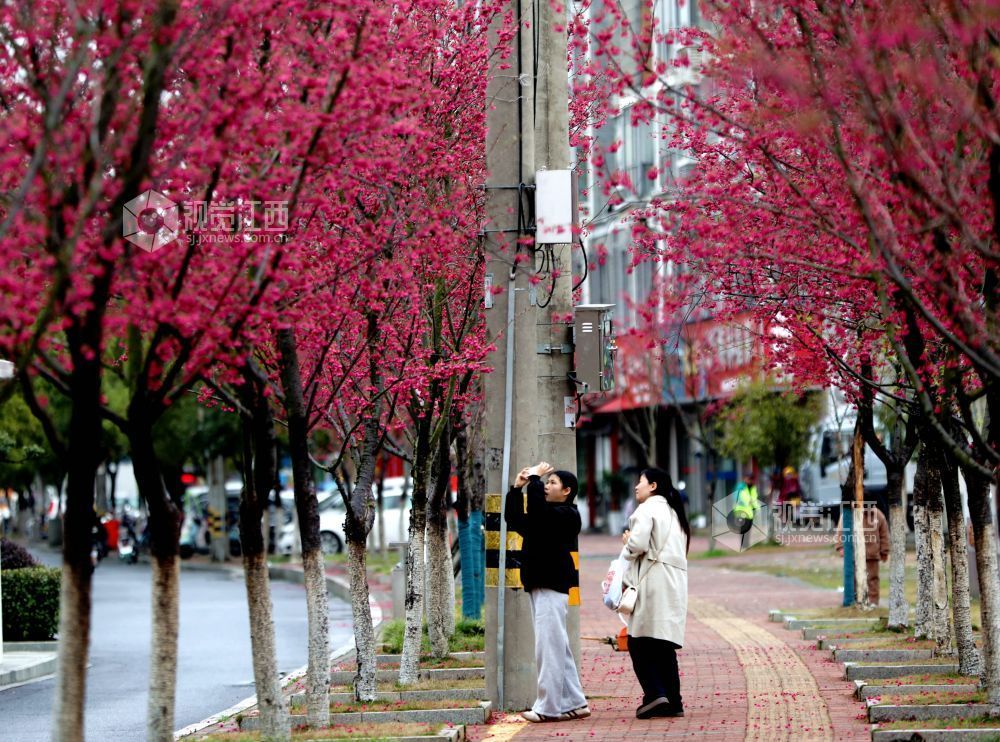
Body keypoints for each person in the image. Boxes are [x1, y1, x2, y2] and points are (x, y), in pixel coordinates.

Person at [504, 461, 590, 723]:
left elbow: (539, 514)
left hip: (553, 585)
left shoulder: (568, 514)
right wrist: (517, 489)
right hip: (539, 583)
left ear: (566, 491)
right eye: (547, 481)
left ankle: (548, 707)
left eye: (552, 482)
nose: (546, 485)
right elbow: (515, 520)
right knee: (557, 647)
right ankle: (575, 703)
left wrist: (535, 479)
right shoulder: (545, 513)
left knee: (548, 649)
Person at [621, 467, 691, 719]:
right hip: (675, 581)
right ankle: (674, 702)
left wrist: (627, 542)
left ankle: (655, 694)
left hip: (653, 581)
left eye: (640, 482)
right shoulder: (674, 512)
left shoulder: (647, 509)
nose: (636, 487)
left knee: (637, 641)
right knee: (663, 644)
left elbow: (638, 545)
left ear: (653, 486)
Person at [836, 495, 890, 604]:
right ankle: (855, 602)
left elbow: (884, 534)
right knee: (854, 580)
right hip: (854, 555)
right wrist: (840, 547)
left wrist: (885, 551)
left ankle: (873, 602)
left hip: (872, 556)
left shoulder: (877, 515)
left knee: (872, 580)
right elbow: (841, 532)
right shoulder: (849, 514)